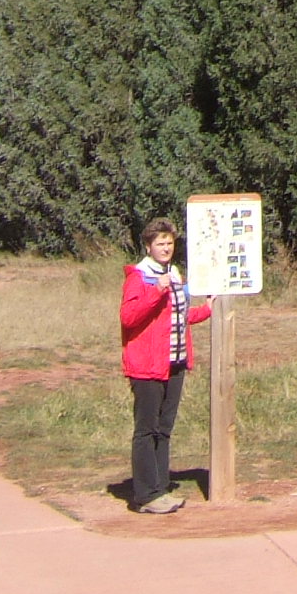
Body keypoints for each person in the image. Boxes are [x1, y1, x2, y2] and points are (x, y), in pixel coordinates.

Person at [119, 219, 212, 515]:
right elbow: (129, 317)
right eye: (160, 243)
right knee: (146, 430)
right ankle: (146, 495)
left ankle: (161, 488)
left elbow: (178, 317)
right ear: (148, 246)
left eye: (169, 242)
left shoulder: (174, 274)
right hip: (146, 366)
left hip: (175, 362)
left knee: (164, 428)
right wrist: (156, 291)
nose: (166, 247)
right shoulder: (140, 277)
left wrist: (207, 309)